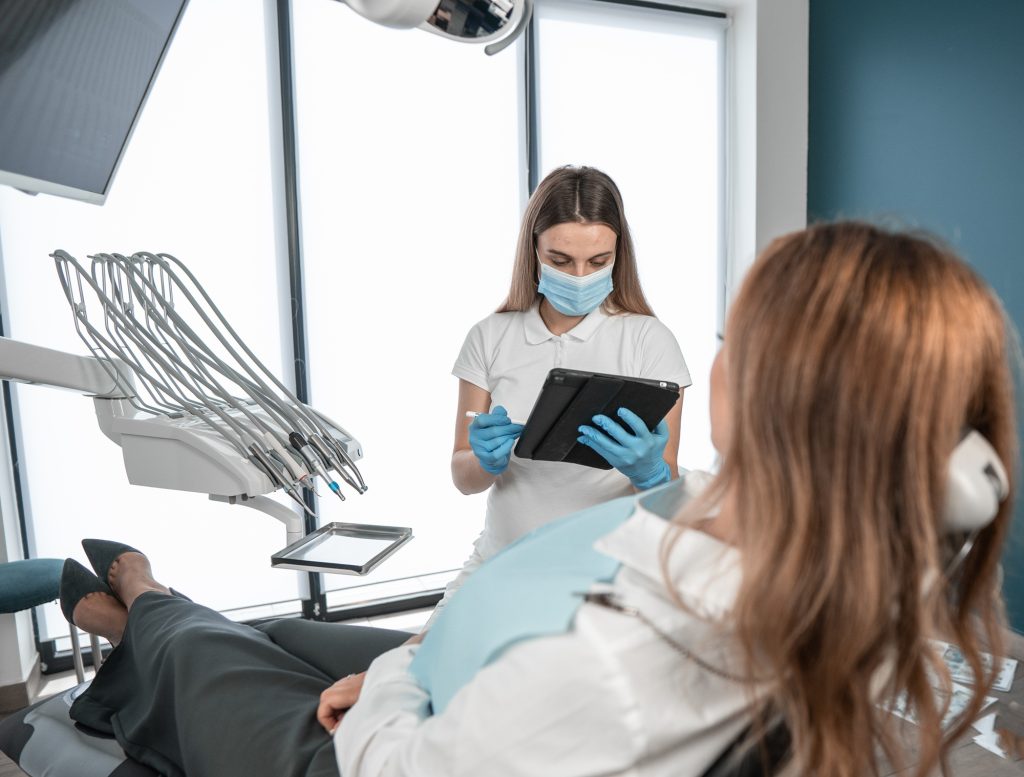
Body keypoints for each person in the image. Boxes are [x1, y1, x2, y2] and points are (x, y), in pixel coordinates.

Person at [58, 222, 1016, 777]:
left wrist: (397, 679)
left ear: (775, 389)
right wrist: (652, 484)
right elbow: (478, 479)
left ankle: (142, 600)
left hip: (398, 738)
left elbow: (407, 765)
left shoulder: (630, 668)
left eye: (730, 339)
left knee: (206, 653)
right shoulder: (849, 561)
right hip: (479, 639)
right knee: (284, 641)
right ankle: (141, 630)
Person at [445, 165, 692, 619]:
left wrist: (650, 472)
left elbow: (669, 492)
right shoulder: (489, 336)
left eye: (598, 262)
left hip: (606, 577)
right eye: (560, 260)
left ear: (619, 255)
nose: (580, 276)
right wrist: (483, 459)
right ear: (533, 250)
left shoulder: (649, 340)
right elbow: (463, 478)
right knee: (401, 679)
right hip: (501, 563)